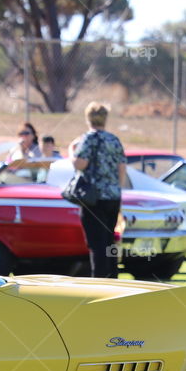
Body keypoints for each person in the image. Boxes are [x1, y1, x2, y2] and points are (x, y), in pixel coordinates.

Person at [73, 102, 128, 278]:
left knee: (96, 243)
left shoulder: (88, 139)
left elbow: (80, 164)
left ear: (88, 118)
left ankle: (99, 279)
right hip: (113, 196)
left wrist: (72, 152)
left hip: (93, 198)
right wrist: (117, 190)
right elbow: (122, 167)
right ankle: (113, 278)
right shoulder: (114, 139)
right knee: (109, 240)